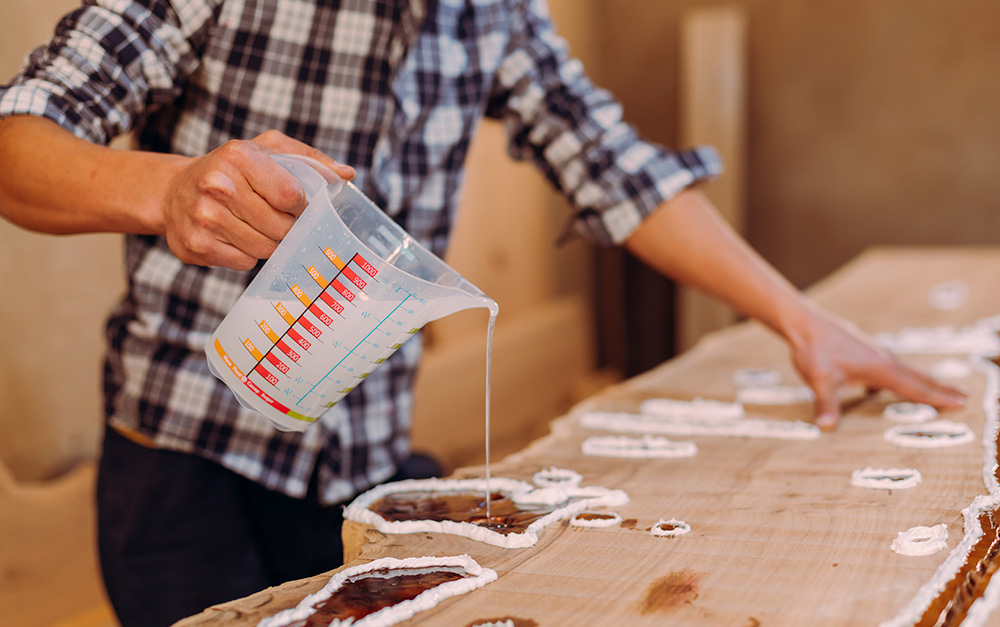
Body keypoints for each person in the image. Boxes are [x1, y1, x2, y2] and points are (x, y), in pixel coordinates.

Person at [0, 0, 964, 625]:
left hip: (365, 461)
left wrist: (801, 319)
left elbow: (617, 170)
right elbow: (16, 141)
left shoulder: (493, 14)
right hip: (186, 465)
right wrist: (168, 188)